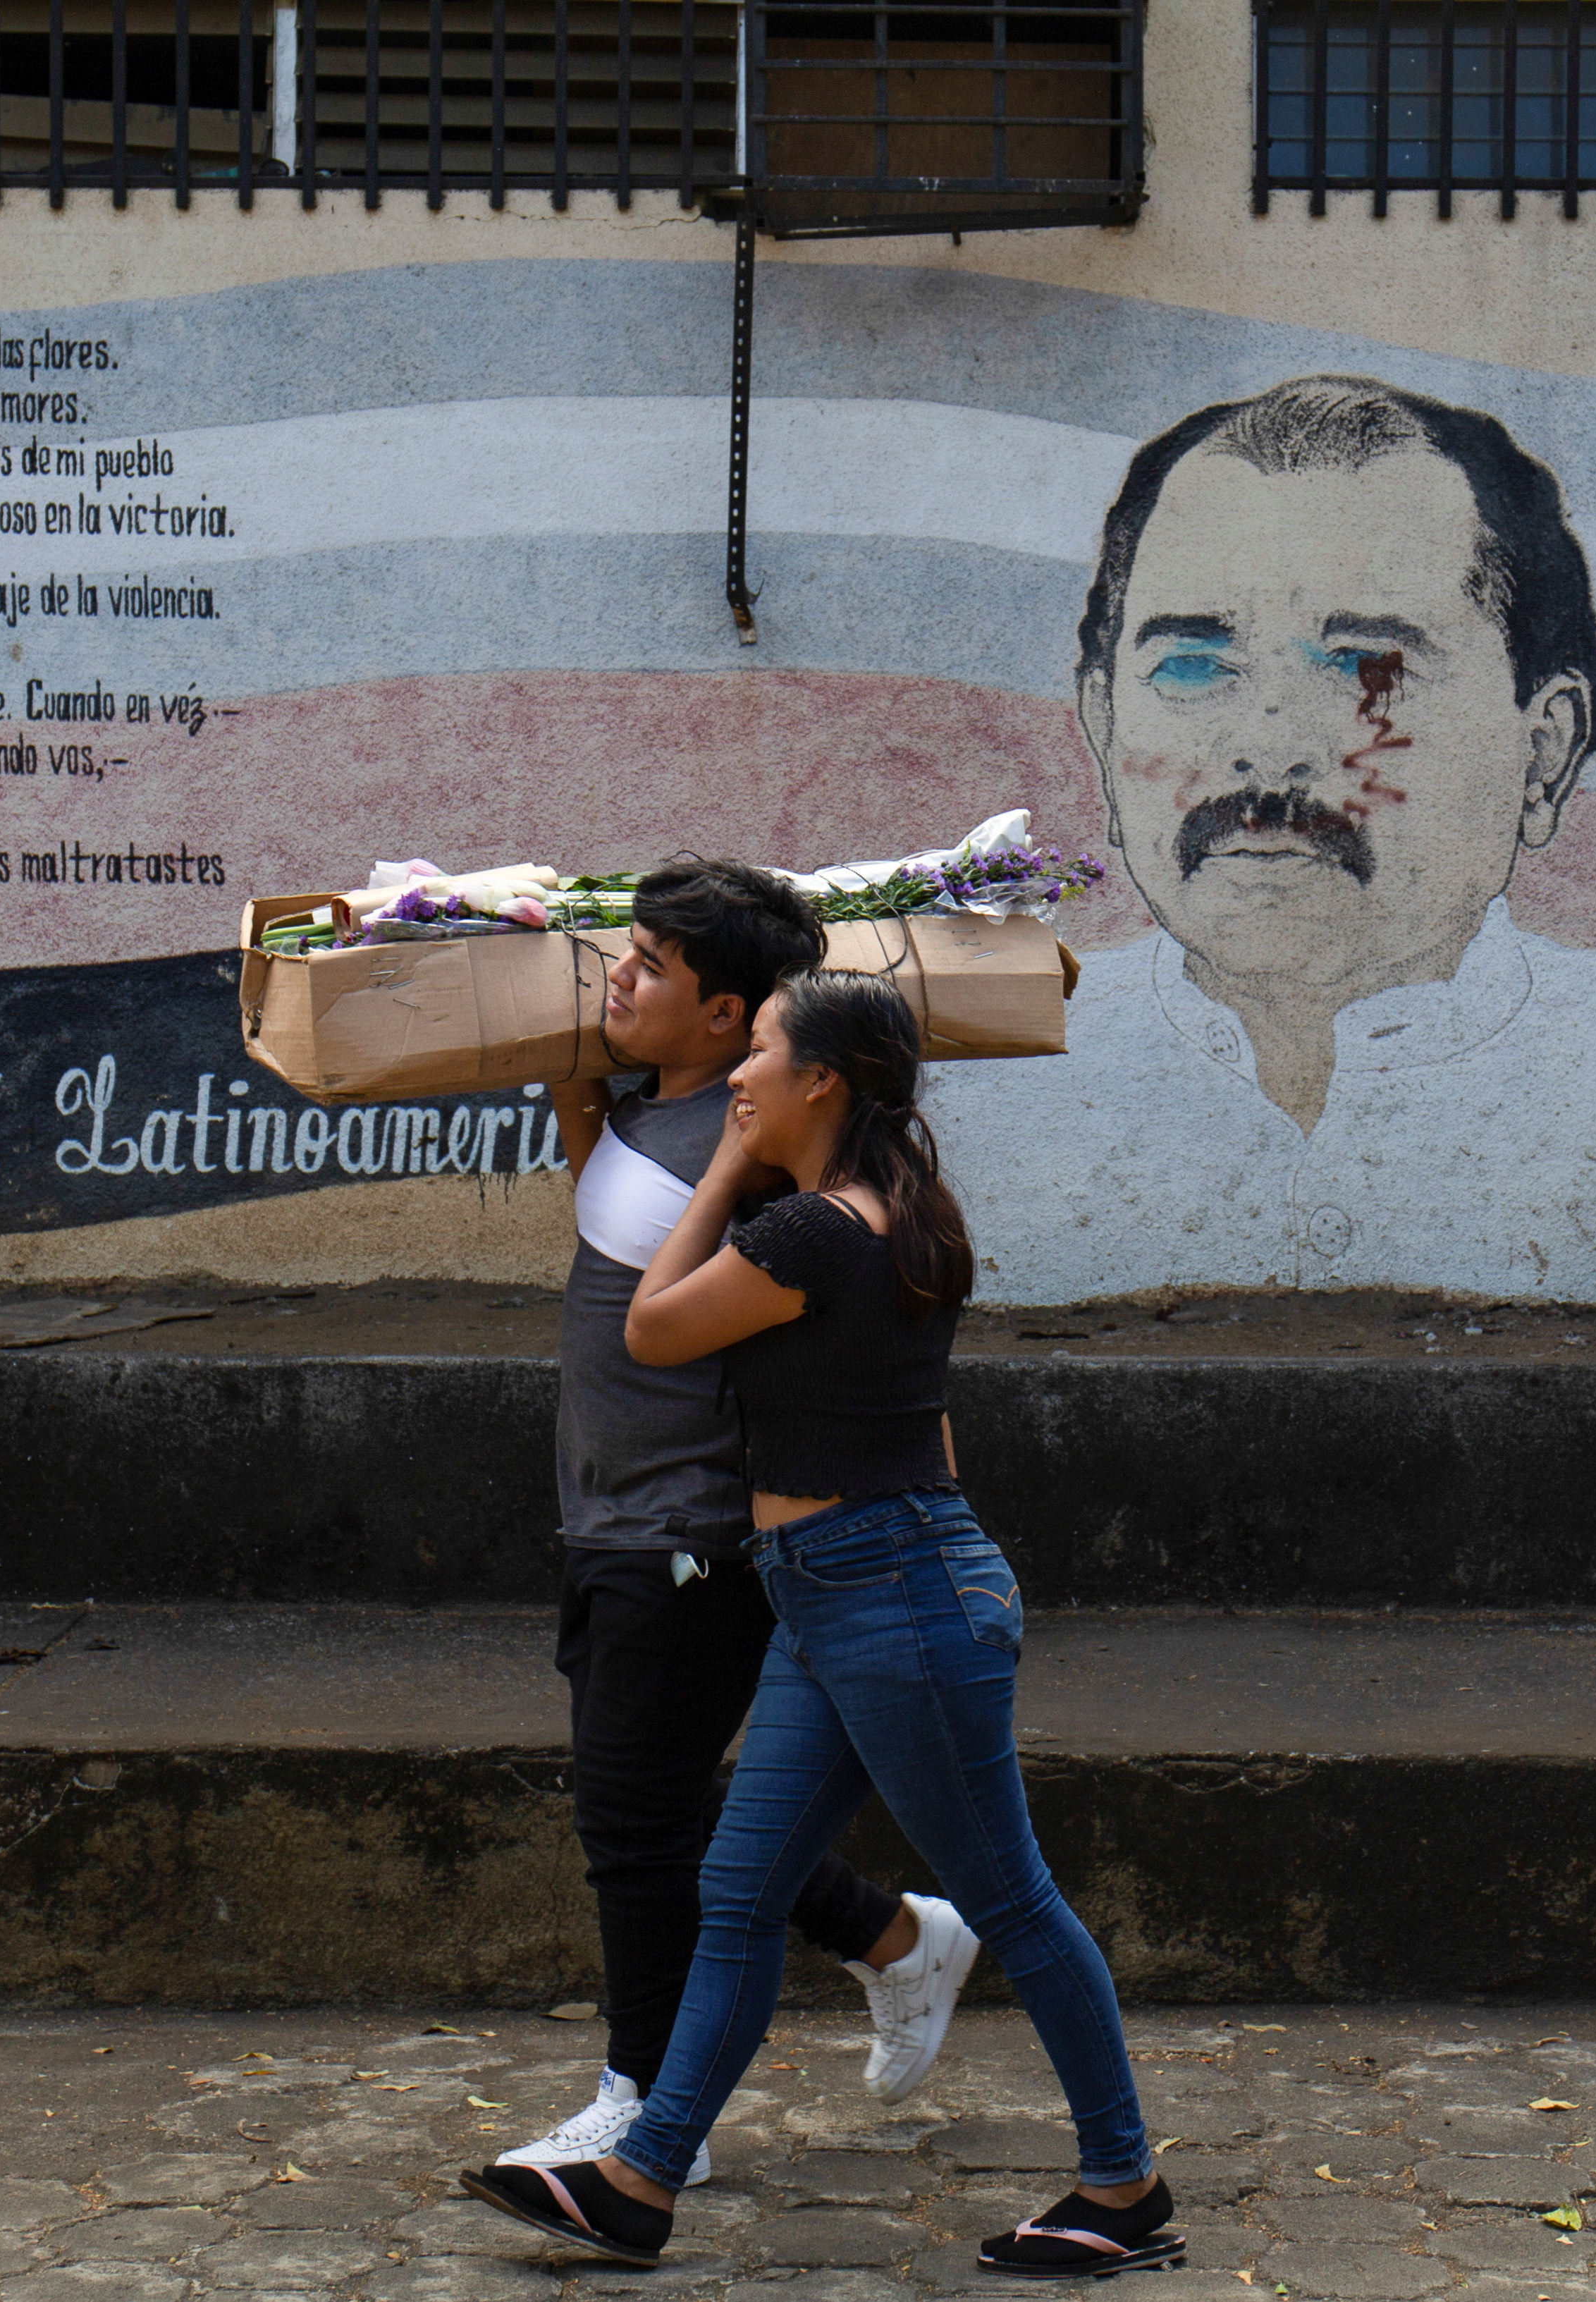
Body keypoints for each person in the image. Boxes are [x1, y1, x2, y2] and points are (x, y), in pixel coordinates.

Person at [465, 970, 1179, 2280]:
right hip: (843, 1580)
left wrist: (724, 1166)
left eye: (762, 1058)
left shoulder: (807, 1235)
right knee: (736, 1887)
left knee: (1010, 1892)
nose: (735, 1076)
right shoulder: (895, 1211)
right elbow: (920, 1419)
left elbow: (652, 1322)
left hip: (889, 1590)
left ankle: (1122, 2185)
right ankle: (639, 2181)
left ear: (820, 1083)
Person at [929, 372, 1596, 1306]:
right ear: (1103, 726)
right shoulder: (958, 1094)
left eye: (1365, 666)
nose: (1267, 749)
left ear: (1541, 753)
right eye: (1190, 662)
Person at [503, 863, 978, 2181]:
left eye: (651, 963)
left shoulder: (763, 1152)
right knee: (661, 1806)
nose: (620, 973)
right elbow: (623, 1228)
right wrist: (571, 1096)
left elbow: (805, 1327)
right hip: (602, 1508)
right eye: (625, 951)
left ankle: (650, 2111)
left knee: (634, 1823)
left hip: (694, 1527)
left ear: (729, 1018)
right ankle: (896, 1936)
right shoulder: (656, 1114)